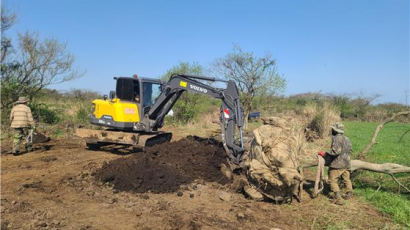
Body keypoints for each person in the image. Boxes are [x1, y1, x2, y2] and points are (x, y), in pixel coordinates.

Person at [318, 122, 353, 205]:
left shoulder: (336, 138)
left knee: (332, 180)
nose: (331, 130)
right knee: (346, 179)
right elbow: (350, 150)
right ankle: (349, 193)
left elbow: (336, 152)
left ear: (335, 130)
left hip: (338, 164)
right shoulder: (347, 139)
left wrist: (324, 153)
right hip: (347, 163)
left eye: (332, 129)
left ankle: (338, 199)